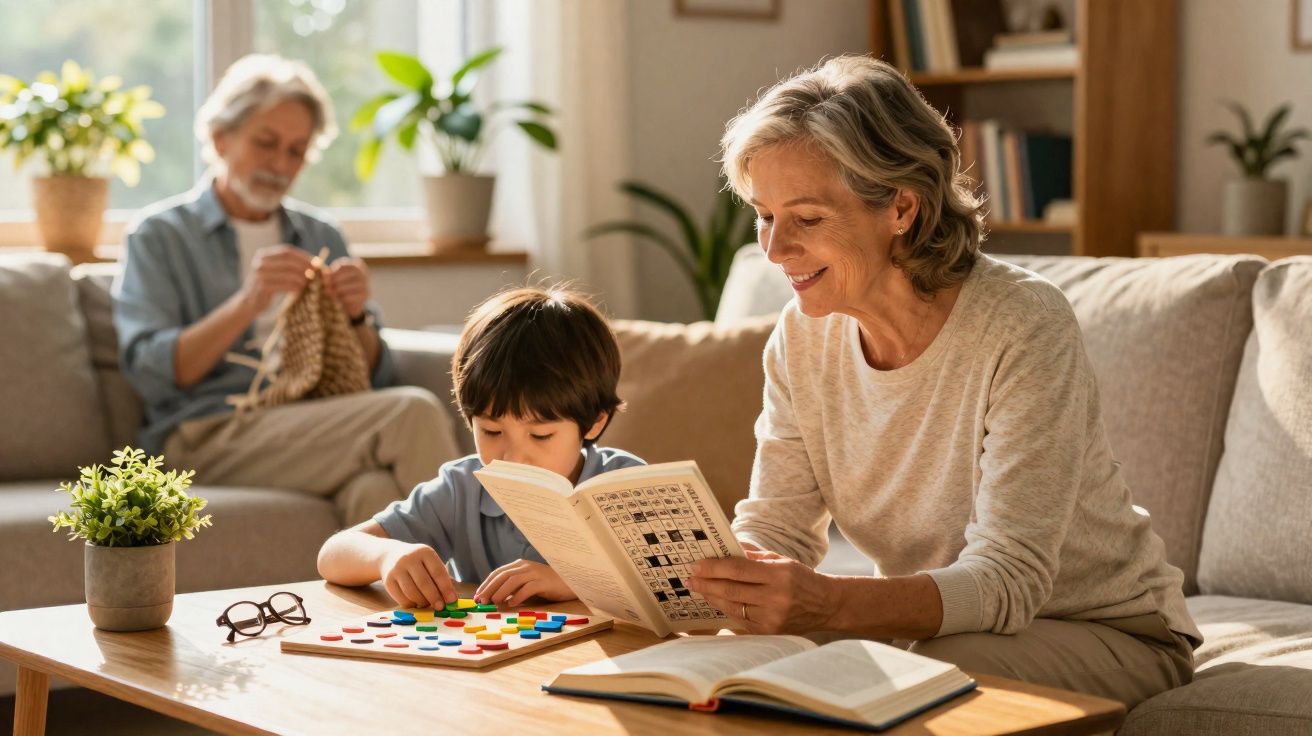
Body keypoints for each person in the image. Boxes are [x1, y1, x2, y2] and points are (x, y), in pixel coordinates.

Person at [687, 55, 1201, 709]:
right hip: (940, 630)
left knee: (916, 672)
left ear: (902, 206)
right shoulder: (799, 336)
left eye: (808, 219)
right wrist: (704, 583)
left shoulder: (1021, 322)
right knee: (742, 662)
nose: (774, 248)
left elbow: (1010, 579)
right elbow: (779, 531)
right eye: (763, 215)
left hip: (1105, 632)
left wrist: (830, 603)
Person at [112, 54, 460, 525]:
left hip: (313, 421)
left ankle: (395, 598)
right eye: (266, 143)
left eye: (296, 151)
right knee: (410, 413)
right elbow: (153, 376)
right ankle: (482, 581)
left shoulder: (321, 234)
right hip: (205, 432)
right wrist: (248, 303)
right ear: (220, 139)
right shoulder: (159, 235)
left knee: (373, 491)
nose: (280, 164)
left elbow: (375, 380)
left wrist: (357, 316)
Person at [317, 286, 644, 609]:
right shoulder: (463, 489)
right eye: (490, 430)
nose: (512, 457)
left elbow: (671, 587)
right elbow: (333, 554)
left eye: (540, 435)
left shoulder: (627, 487)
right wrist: (386, 556)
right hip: (497, 657)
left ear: (594, 423)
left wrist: (577, 581)